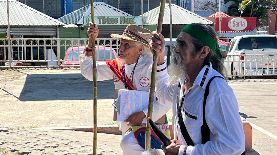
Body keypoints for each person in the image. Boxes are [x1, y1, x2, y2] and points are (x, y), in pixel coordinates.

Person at [151, 23, 245, 155]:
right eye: (177, 42)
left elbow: (233, 146)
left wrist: (183, 151)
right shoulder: (182, 80)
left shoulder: (217, 90)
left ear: (203, 52)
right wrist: (159, 58)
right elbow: (163, 95)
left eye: (183, 44)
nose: (176, 49)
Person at [80, 23, 171, 154]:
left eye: (126, 45)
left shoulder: (152, 66)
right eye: (120, 43)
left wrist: (143, 114)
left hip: (153, 128)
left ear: (140, 49)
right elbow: (89, 72)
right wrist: (91, 41)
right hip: (128, 127)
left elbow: (166, 101)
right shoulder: (117, 66)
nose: (120, 48)